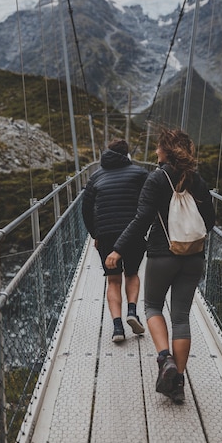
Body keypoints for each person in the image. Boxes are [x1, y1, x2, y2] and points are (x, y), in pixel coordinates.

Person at [105, 128, 215, 403]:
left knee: (153, 306)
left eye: (158, 148)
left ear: (166, 150)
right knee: (181, 317)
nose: (155, 152)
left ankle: (164, 358)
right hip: (194, 256)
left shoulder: (156, 178)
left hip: (161, 253)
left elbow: (141, 219)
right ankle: (177, 383)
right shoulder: (197, 179)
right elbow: (210, 221)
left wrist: (117, 249)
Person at [81, 138, 148, 342]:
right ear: (127, 154)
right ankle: (132, 311)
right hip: (133, 233)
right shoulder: (140, 173)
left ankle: (117, 328)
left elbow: (85, 209)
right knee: (132, 273)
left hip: (107, 234)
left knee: (113, 279)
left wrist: (95, 235)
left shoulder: (96, 176)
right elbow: (149, 203)